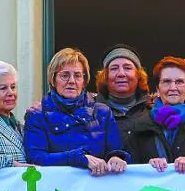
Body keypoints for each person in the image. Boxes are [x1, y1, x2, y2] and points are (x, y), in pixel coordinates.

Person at [24, 47, 129, 175]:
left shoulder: (103, 113)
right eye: (65, 75)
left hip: (98, 189)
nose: (72, 81)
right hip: (57, 190)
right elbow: (35, 158)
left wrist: (116, 158)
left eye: (78, 75)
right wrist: (78, 158)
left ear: (84, 81)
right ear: (53, 79)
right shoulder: (37, 115)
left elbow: (115, 150)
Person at [94, 44, 151, 142]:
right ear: (105, 76)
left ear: (138, 75)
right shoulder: (91, 111)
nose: (121, 74)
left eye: (127, 68)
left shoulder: (153, 111)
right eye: (114, 68)